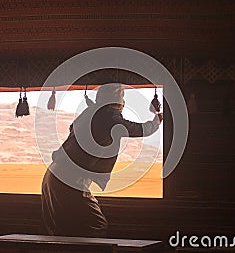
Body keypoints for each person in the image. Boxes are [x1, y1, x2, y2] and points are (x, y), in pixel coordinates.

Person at [41, 83, 163, 237]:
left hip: (52, 176)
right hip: (70, 180)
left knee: (62, 229)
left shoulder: (89, 113)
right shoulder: (110, 117)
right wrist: (156, 121)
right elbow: (137, 129)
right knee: (96, 226)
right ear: (118, 102)